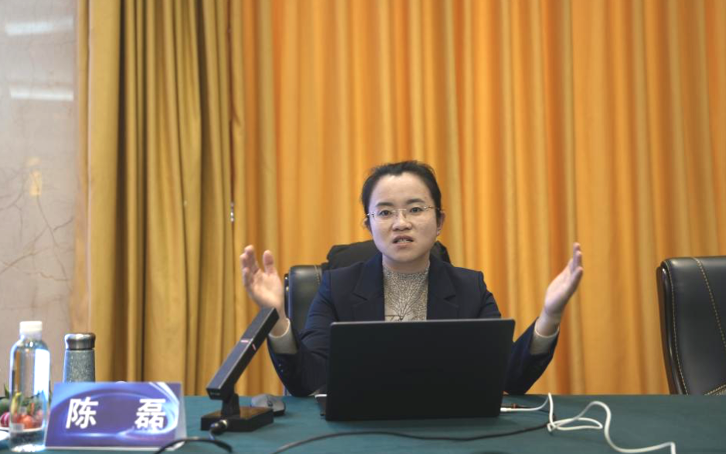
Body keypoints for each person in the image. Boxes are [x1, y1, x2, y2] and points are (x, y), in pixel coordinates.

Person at [241, 161, 583, 396]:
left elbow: (510, 377)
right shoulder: (337, 286)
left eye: (416, 209)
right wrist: (277, 317)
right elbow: (307, 381)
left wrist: (550, 314)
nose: (401, 222)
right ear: (369, 225)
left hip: (448, 433)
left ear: (439, 222)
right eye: (385, 212)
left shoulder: (469, 288)